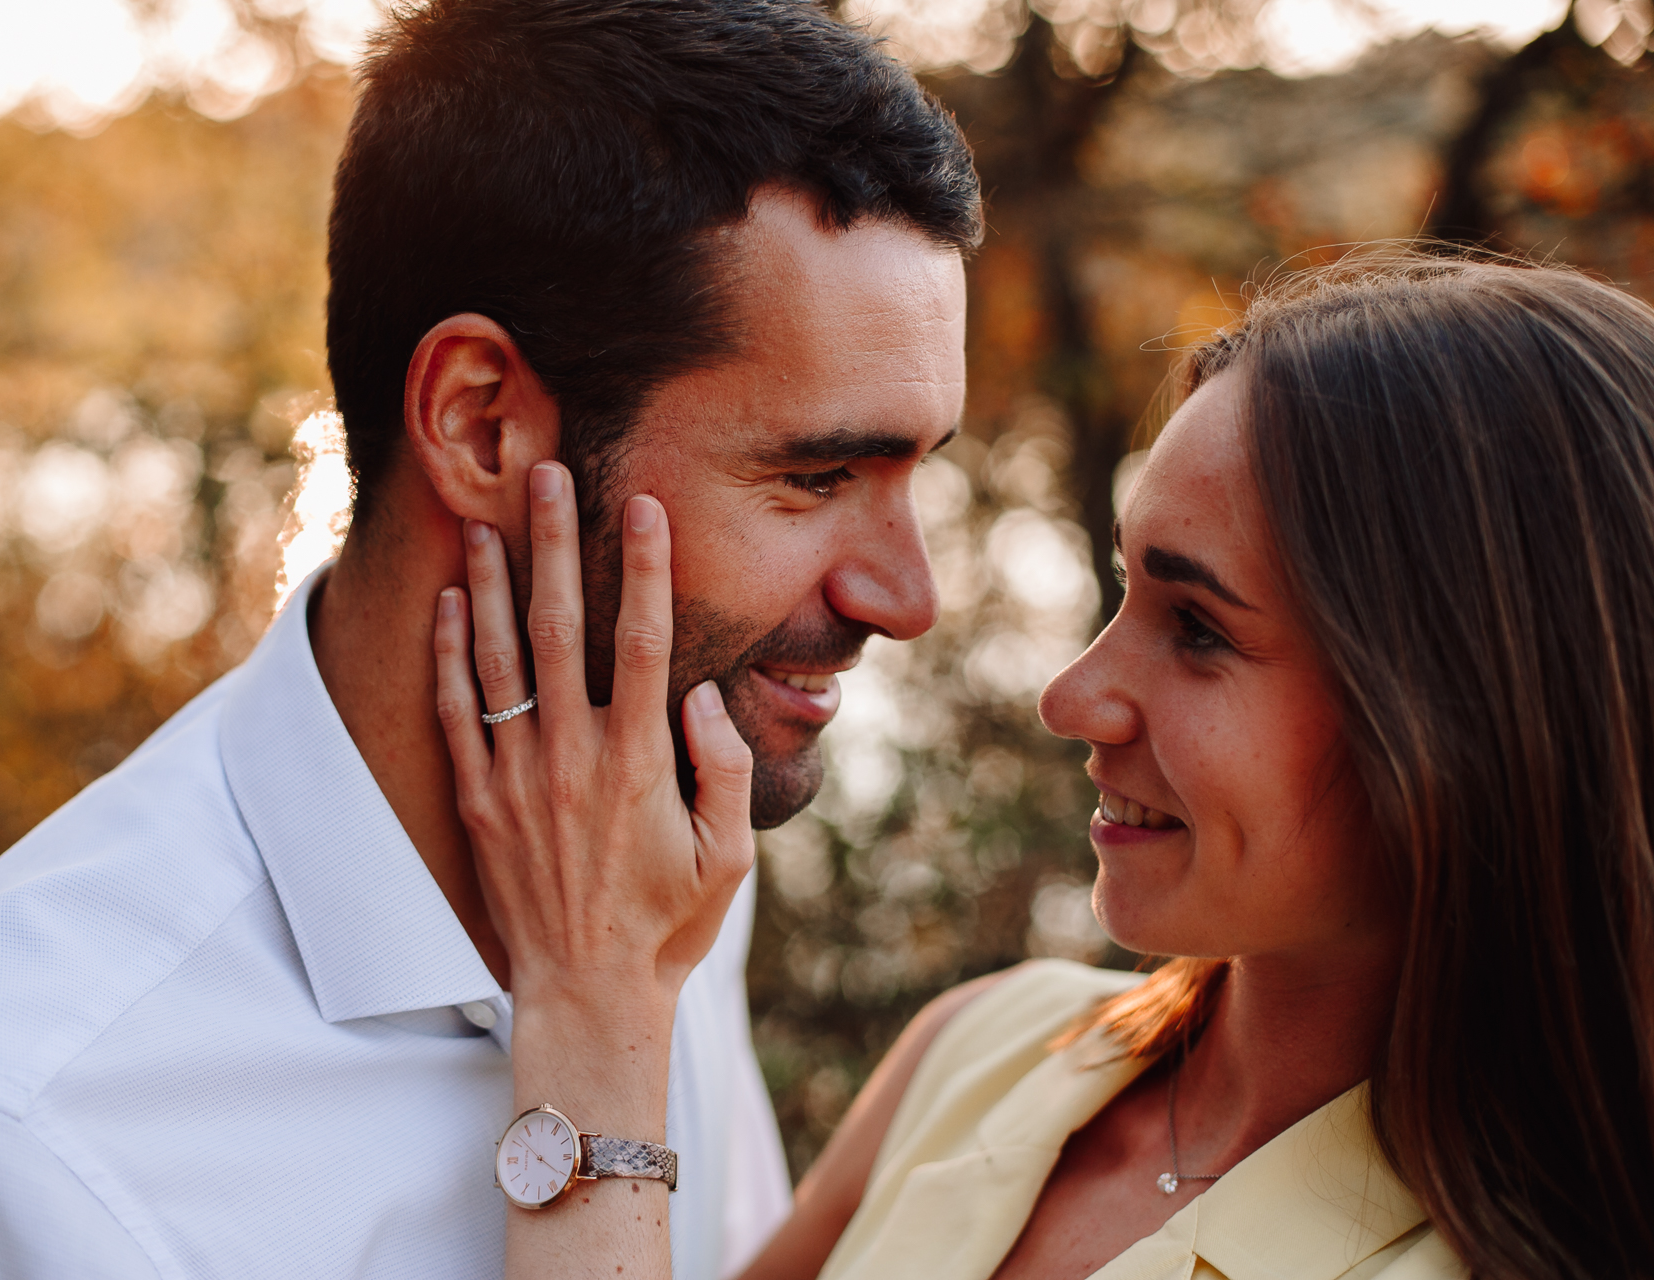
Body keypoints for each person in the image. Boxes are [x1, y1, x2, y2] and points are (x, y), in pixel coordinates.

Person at [0, 2, 981, 1277]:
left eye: (917, 471)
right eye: (819, 475)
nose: (910, 595)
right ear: (484, 425)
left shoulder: (661, 840)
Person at [438, 251, 1654, 1280]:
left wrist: (594, 1018)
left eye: (1202, 629)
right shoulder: (987, 1046)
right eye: (1128, 586)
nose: (1071, 695)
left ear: (1461, 717)